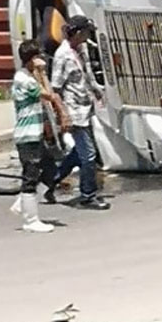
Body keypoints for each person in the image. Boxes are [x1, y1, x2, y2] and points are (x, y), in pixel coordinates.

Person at [51, 15, 111, 210]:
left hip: (86, 107)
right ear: (76, 33)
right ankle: (88, 195)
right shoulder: (62, 56)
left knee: (81, 151)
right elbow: (56, 89)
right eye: (85, 32)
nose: (87, 36)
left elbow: (87, 75)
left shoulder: (82, 49)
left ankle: (53, 180)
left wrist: (97, 91)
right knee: (90, 155)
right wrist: (63, 115)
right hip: (74, 111)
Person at [10, 40, 66, 233]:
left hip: (37, 134)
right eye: (38, 57)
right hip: (27, 135)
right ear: (31, 59)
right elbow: (49, 94)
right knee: (31, 176)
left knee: (50, 170)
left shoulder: (28, 76)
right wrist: (42, 72)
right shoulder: (23, 80)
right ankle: (30, 219)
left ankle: (23, 203)